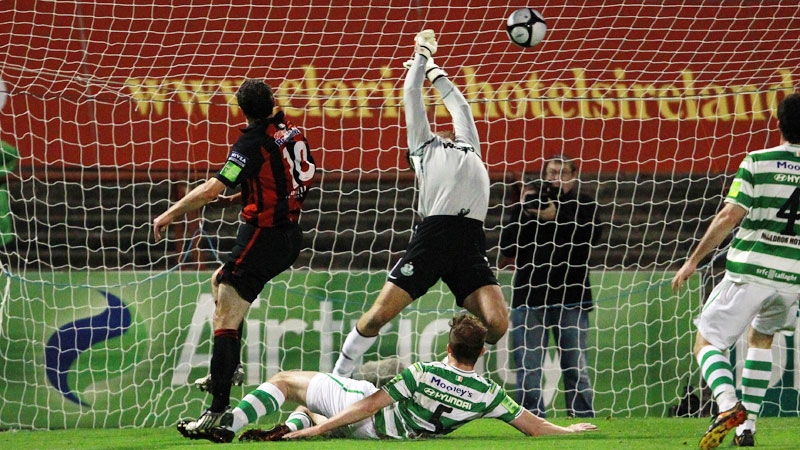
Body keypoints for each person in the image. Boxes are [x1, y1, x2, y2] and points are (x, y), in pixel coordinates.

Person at [331, 29, 508, 379]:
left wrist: (434, 72)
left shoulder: (468, 145)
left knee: (497, 324)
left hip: (471, 240)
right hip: (435, 235)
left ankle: (449, 373)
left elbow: (460, 105)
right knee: (380, 315)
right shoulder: (423, 149)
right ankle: (339, 376)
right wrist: (422, 53)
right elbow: (411, 93)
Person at [153, 79, 316, 437]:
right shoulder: (293, 132)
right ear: (273, 101)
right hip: (290, 234)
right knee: (220, 284)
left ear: (242, 111)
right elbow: (294, 179)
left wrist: (170, 214)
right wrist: (249, 192)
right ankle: (229, 368)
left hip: (263, 235)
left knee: (226, 309)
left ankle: (217, 408)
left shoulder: (251, 142)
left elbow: (213, 187)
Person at [176, 314, 597, 443]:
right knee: (318, 402)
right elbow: (535, 427)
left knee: (286, 381)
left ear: (448, 347)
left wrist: (321, 429)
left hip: (366, 417)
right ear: (483, 352)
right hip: (393, 435)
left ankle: (229, 425)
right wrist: (570, 429)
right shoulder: (489, 394)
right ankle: (290, 426)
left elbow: (371, 403)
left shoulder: (425, 371)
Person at [672, 92, 800, 449]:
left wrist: (693, 260)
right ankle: (747, 428)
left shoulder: (758, 161)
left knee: (707, 340)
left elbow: (729, 215)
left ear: (779, 124)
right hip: (791, 279)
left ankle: (728, 405)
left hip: (750, 272)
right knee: (761, 339)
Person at [499, 156, 600, 418]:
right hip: (529, 297)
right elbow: (507, 247)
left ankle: (582, 417)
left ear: (574, 177)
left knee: (576, 367)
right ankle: (529, 419)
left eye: (563, 173)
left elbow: (592, 237)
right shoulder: (527, 204)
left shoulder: (583, 204)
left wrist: (557, 216)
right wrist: (524, 211)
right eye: (552, 172)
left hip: (572, 297)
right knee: (528, 367)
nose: (557, 178)